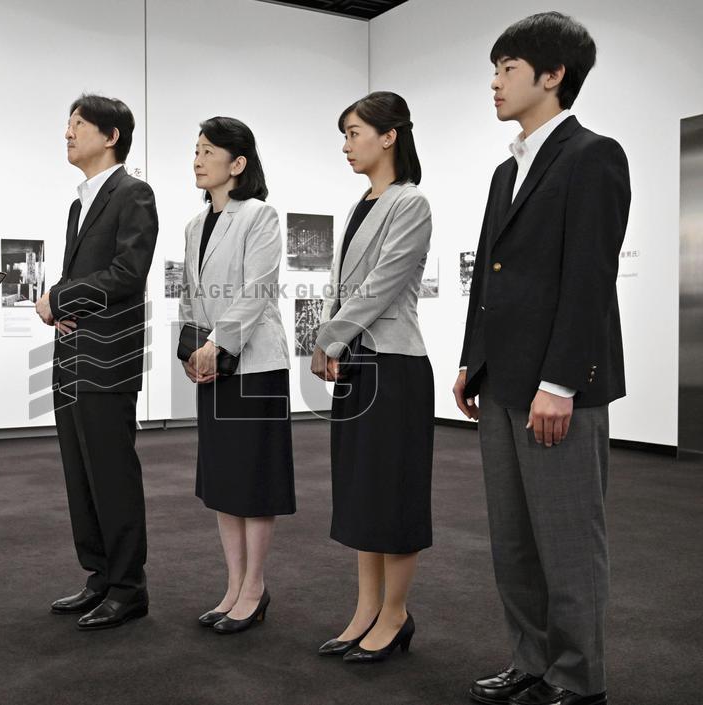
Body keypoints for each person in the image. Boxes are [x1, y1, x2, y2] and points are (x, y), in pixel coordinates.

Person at [455, 13, 629, 705]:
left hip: (557, 387)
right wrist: (472, 359)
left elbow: (589, 279)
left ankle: (578, 679)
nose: (495, 83)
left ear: (553, 75)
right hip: (502, 379)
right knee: (514, 539)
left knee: (567, 538)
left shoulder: (593, 156)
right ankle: (531, 660)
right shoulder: (508, 168)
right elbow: (489, 274)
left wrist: (560, 382)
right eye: (494, 70)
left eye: (508, 69)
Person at [311, 92, 433, 663]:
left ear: (389, 136)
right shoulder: (362, 202)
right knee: (361, 491)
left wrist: (329, 337)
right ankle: (365, 609)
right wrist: (331, 337)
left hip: (394, 365)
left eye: (354, 132)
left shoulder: (411, 202)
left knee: (393, 494)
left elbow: (381, 286)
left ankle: (395, 613)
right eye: (345, 134)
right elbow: (342, 287)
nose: (346, 145)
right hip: (358, 362)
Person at [35, 95, 158, 630]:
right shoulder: (78, 204)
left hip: (108, 358)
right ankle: (100, 577)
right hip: (72, 356)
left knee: (112, 475)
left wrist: (61, 298)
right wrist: (61, 303)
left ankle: (128, 588)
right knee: (80, 475)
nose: (67, 133)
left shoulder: (133, 193)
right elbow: (85, 275)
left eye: (78, 125)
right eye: (68, 125)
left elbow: (128, 273)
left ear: (111, 136)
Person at [180, 117, 295, 634]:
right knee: (224, 481)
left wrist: (216, 344)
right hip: (211, 365)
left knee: (253, 480)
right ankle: (233, 585)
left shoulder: (259, 215)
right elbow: (190, 295)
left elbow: (258, 290)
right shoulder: (194, 225)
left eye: (208, 150)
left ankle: (255, 587)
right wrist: (191, 349)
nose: (198, 159)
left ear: (238, 163)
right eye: (196, 150)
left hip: (255, 365)